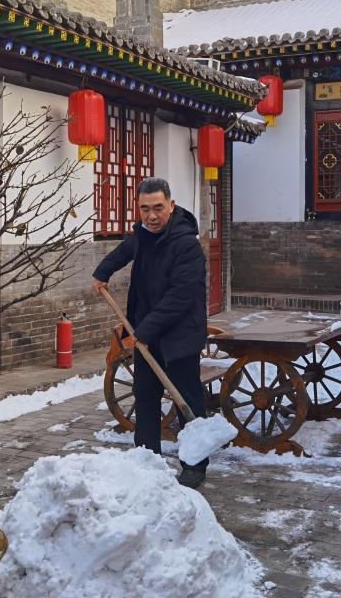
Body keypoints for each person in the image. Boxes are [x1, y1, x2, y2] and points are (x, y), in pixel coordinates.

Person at [92, 177, 209, 488]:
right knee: (145, 397)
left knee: (187, 400)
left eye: (158, 207)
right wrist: (102, 273)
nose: (152, 216)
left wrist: (142, 331)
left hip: (180, 336)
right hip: (147, 335)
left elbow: (180, 297)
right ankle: (146, 459)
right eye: (145, 209)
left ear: (171, 205)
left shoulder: (187, 245)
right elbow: (122, 252)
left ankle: (194, 464)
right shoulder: (142, 236)